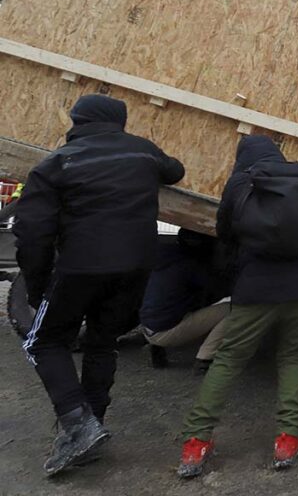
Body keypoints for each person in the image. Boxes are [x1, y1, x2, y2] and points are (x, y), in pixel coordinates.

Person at [15, 94, 184, 476]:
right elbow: (175, 170)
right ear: (119, 121)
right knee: (102, 342)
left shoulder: (57, 163)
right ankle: (91, 425)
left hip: (81, 266)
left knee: (43, 342)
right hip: (136, 266)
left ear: (77, 121)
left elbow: (32, 233)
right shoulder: (143, 152)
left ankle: (78, 424)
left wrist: (38, 285)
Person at [178, 135, 298, 477]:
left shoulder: (240, 184)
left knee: (228, 360)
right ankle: (287, 439)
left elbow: (224, 234)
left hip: (255, 289)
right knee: (294, 358)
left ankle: (196, 442)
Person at [141, 229, 232, 374]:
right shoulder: (191, 266)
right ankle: (205, 359)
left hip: (148, 327)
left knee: (184, 303)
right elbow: (222, 289)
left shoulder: (167, 258)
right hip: (164, 331)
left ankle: (157, 347)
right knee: (232, 310)